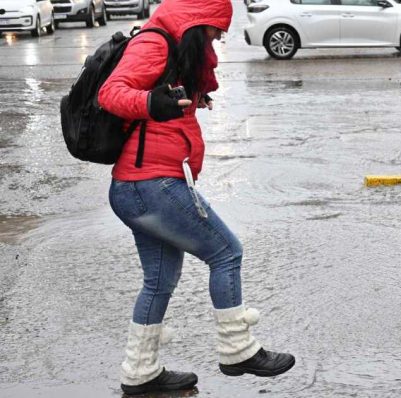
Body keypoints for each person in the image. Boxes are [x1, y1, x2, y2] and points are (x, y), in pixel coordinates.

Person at [97, 0, 295, 395]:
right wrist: (154, 103)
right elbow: (111, 93)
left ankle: (140, 371)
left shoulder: (173, 49)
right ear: (197, 23)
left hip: (141, 185)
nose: (218, 39)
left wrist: (190, 100)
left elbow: (161, 99)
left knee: (159, 282)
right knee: (226, 252)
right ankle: (238, 349)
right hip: (150, 185)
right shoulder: (155, 43)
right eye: (215, 32)